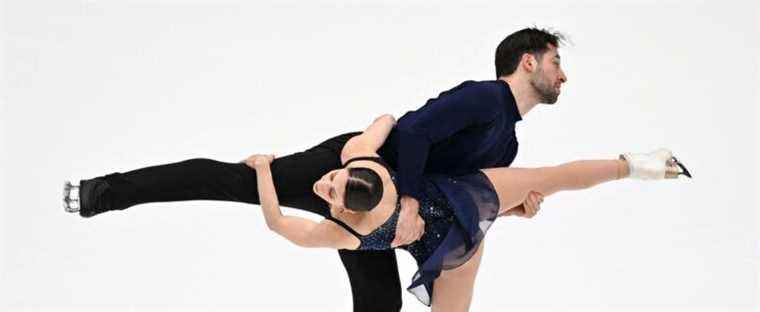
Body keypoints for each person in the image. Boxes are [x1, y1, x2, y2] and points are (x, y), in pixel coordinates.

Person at [63, 27, 603, 311]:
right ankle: (102, 193)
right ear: (528, 61)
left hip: (377, 224)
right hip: (349, 171)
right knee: (232, 181)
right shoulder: (485, 98)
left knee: (379, 304)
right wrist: (410, 198)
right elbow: (411, 130)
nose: (564, 75)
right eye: (557, 62)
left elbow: (466, 194)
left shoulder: (505, 143)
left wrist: (514, 210)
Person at [241, 112, 691, 310]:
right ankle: (638, 165)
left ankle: (640, 166)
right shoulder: (362, 158)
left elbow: (278, 222)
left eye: (331, 189)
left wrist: (264, 168)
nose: (325, 184)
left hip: (459, 228)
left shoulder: (347, 232)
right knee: (547, 178)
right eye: (332, 184)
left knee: (549, 177)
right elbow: (387, 119)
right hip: (462, 215)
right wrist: (372, 136)